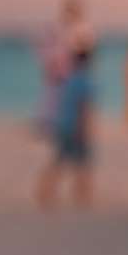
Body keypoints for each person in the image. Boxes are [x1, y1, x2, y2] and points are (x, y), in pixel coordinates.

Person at [37, 44, 96, 209]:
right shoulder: (85, 80)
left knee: (59, 161)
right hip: (75, 128)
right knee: (83, 163)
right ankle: (83, 196)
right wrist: (85, 129)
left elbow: (62, 102)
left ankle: (45, 192)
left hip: (63, 125)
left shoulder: (69, 79)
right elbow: (84, 108)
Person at [34, 0, 90, 136]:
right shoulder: (56, 28)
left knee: (70, 107)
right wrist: (50, 64)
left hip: (72, 75)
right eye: (71, 9)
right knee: (53, 104)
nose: (73, 12)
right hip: (59, 74)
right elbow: (44, 48)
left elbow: (85, 53)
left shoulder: (81, 29)